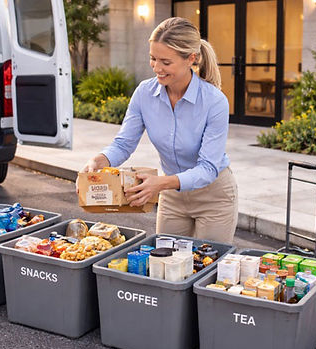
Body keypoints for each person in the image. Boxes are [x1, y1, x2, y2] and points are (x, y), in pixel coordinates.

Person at [80, 17, 238, 244]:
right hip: (173, 197)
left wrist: (161, 183)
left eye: (166, 61)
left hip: (214, 196)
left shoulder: (214, 102)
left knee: (208, 266)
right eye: (153, 59)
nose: (156, 68)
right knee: (164, 263)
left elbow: (208, 168)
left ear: (191, 59)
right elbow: (124, 143)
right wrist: (101, 159)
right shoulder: (144, 93)